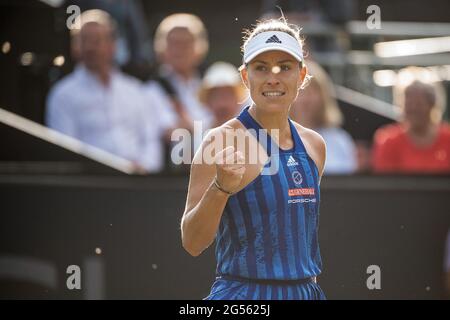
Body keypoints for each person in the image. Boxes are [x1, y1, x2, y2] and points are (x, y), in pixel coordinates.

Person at [181, 18, 327, 300]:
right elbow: (192, 242)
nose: (273, 78)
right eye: (261, 68)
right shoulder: (219, 141)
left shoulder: (314, 145)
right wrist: (220, 188)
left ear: (302, 75)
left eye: (284, 67)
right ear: (246, 77)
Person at [46, 9, 164, 172]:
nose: (90, 47)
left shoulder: (136, 91)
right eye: (83, 40)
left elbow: (151, 141)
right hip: (91, 185)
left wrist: (144, 167)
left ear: (113, 45)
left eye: (96, 40)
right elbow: (65, 150)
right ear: (74, 46)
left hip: (138, 185)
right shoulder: (63, 95)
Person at [373, 67, 450, 174]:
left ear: (432, 104)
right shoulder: (388, 141)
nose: (414, 109)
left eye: (419, 104)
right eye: (409, 104)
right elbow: (385, 184)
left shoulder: (447, 138)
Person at [290, 60, 357, 174]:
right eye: (301, 91)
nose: (306, 99)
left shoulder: (340, 140)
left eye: (312, 92)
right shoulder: (274, 139)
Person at [198, 61, 246, 129]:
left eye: (227, 97)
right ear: (207, 102)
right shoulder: (198, 136)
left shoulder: (254, 135)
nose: (222, 104)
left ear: (238, 99)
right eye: (216, 97)